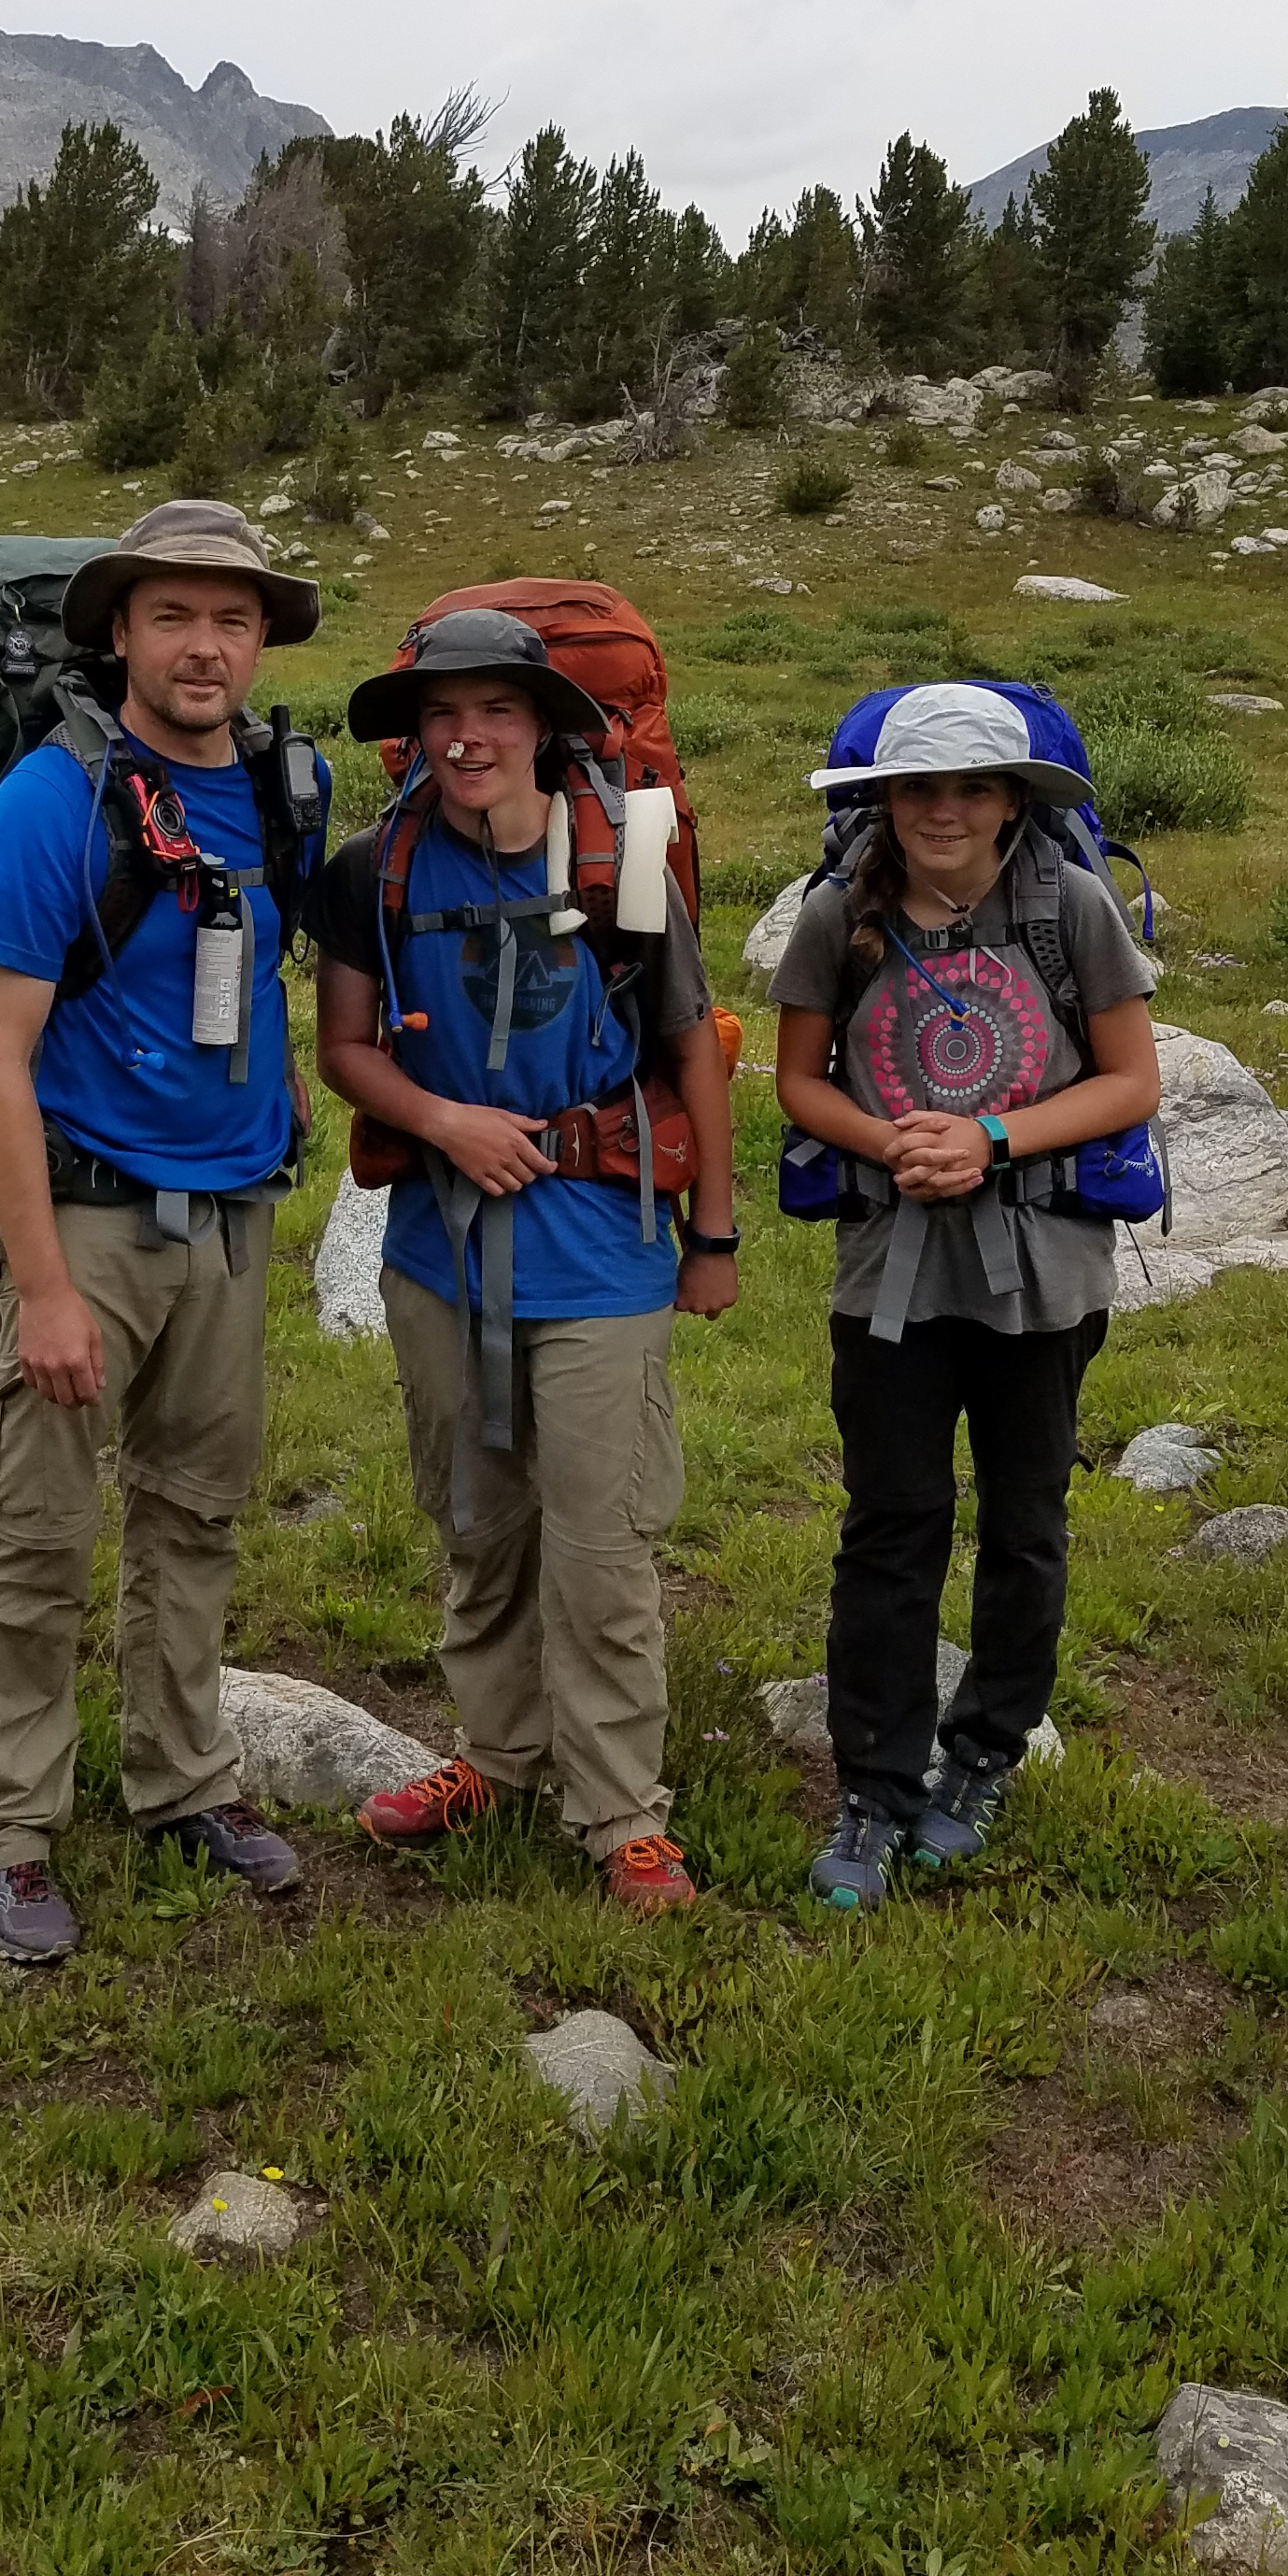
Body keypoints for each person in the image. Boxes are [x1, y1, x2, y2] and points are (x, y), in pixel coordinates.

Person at [0, 497, 327, 1966]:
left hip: (230, 1222)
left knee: (195, 1518)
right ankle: (6, 1829)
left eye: (233, 618)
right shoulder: (53, 803)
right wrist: (39, 1289)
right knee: (33, 1535)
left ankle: (184, 1783)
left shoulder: (290, 788)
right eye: (173, 615)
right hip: (82, 1225)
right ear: (118, 632)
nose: (206, 644)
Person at [315, 608, 737, 1915]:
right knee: (476, 1516)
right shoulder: (370, 871)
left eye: (495, 710)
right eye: (441, 714)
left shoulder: (628, 856)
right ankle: (497, 1755)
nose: (465, 736)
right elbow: (346, 1045)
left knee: (600, 1544)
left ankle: (621, 1814)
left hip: (604, 1244)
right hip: (440, 1251)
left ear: (543, 724)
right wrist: (444, 1120)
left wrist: (713, 1233)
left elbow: (690, 1056)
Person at [769, 681, 1161, 1910]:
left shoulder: (1071, 906)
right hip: (892, 1266)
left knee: (1029, 1514)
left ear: (1011, 802)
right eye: (919, 788)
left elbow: (1131, 1079)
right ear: (880, 800)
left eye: (972, 787)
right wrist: (894, 1148)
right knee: (891, 1519)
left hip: (1046, 1270)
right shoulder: (838, 913)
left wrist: (989, 1137)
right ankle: (876, 1789)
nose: (944, 810)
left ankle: (984, 1751)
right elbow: (799, 1081)